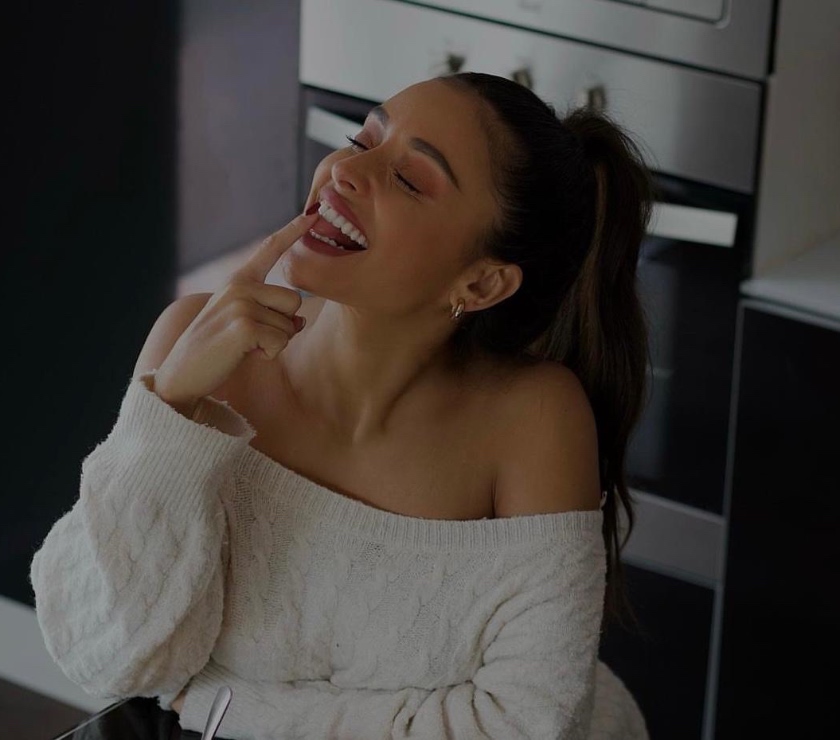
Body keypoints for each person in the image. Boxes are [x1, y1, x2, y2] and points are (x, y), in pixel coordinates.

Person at [31, 71, 652, 738]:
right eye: (363, 139)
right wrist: (172, 409)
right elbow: (109, 659)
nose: (345, 171)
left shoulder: (532, 420)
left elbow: (528, 724)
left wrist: (231, 708)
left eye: (409, 179)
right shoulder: (198, 351)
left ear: (481, 283)